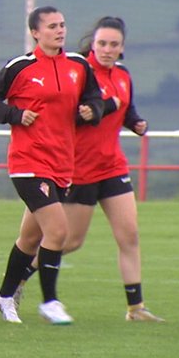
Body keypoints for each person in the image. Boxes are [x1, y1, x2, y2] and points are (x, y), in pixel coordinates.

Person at [0, 6, 103, 325]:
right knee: (58, 230)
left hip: (62, 163)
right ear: (35, 32)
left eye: (62, 25)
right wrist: (15, 115)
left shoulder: (78, 65)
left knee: (30, 239)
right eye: (51, 26)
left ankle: (4, 297)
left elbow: (93, 99)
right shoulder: (21, 67)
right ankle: (50, 302)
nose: (59, 30)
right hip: (28, 163)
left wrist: (92, 110)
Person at [62, 16, 163, 321]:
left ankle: (136, 309)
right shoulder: (78, 73)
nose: (107, 49)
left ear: (122, 47)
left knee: (129, 236)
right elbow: (69, 118)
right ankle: (19, 277)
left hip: (113, 167)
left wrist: (136, 123)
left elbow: (126, 109)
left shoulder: (122, 74)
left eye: (114, 44)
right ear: (92, 44)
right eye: (102, 43)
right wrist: (99, 107)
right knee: (70, 242)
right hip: (80, 169)